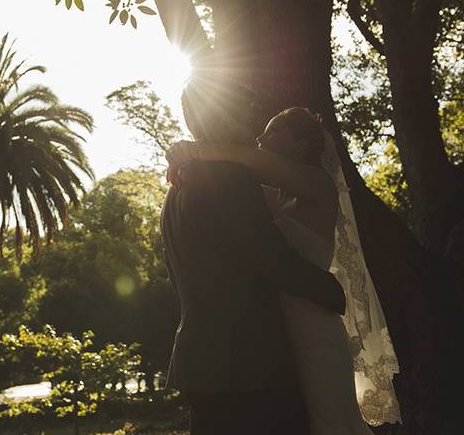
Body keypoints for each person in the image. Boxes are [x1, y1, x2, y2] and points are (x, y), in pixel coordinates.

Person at [167, 107, 402, 434]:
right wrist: (188, 158)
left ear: (301, 145)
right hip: (279, 331)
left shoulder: (317, 184)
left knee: (328, 420)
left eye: (274, 130)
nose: (262, 137)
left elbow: (241, 157)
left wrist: (191, 150)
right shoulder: (276, 197)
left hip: (313, 325)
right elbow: (228, 189)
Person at [161, 77, 347, 435]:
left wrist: (189, 151)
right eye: (244, 114)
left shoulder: (177, 187)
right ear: (223, 114)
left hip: (204, 361)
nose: (253, 128)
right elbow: (269, 257)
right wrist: (330, 290)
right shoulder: (227, 178)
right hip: (246, 363)